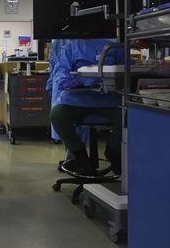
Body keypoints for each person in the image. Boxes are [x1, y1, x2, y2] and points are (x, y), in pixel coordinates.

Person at [49, 39, 123, 176]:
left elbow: (127, 66)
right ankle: (80, 155)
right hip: (78, 97)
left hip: (109, 98)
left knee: (128, 117)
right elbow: (61, 69)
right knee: (57, 115)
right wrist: (64, 81)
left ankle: (113, 151)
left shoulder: (116, 45)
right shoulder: (72, 46)